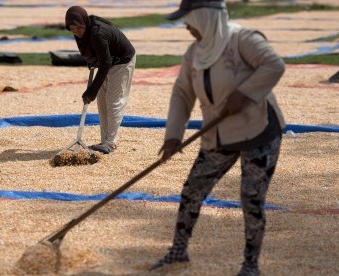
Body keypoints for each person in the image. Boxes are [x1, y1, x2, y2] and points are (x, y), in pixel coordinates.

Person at [150, 0, 286, 275]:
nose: (186, 26)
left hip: (258, 131)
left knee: (251, 199)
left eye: (188, 20)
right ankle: (178, 252)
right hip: (219, 135)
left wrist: (245, 93)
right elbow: (182, 94)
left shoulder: (242, 39)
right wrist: (173, 137)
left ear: (204, 17)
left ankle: (250, 266)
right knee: (192, 190)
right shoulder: (194, 54)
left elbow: (274, 65)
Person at [65, 6, 136, 154]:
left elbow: (105, 63)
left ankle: (110, 143)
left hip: (122, 61)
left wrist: (91, 90)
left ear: (84, 23)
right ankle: (104, 141)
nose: (76, 32)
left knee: (113, 100)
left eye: (79, 28)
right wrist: (91, 60)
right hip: (107, 61)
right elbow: (95, 53)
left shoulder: (97, 33)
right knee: (102, 101)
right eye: (72, 29)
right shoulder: (82, 32)